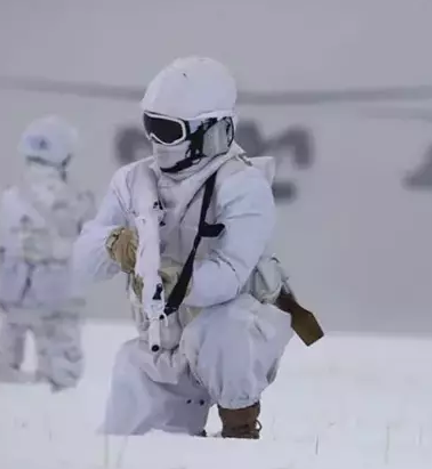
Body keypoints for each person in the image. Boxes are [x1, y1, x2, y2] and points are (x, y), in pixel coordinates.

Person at [72, 56, 322, 439]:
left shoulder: (242, 186)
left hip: (231, 341)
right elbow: (81, 262)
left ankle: (239, 426)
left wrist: (173, 281)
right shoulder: (133, 182)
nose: (156, 141)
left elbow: (229, 275)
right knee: (121, 447)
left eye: (168, 131)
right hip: (159, 345)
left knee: (223, 328)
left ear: (210, 130)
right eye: (151, 126)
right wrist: (114, 246)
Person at [0, 115, 95, 392]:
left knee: (8, 356)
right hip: (57, 295)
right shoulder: (74, 199)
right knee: (62, 372)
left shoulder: (7, 195)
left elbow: (2, 241)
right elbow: (87, 240)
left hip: (13, 290)